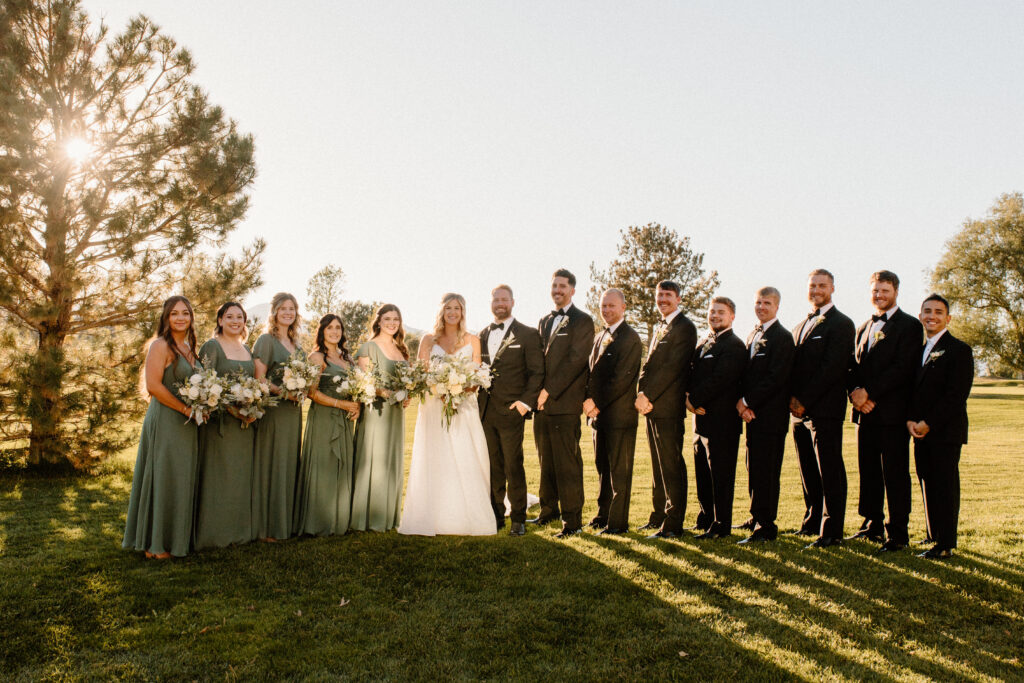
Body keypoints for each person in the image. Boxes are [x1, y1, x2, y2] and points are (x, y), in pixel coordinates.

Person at [399, 293, 495, 536]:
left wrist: (459, 392)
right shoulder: (428, 340)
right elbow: (421, 373)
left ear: (463, 312)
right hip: (433, 406)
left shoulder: (473, 339)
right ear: (441, 311)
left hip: (464, 406)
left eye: (457, 308)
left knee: (465, 454)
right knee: (436, 455)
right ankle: (434, 515)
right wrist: (440, 391)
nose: (453, 312)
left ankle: (467, 515)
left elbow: (477, 377)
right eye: (448, 308)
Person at [847, 270, 923, 553]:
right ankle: (872, 524)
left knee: (894, 472)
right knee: (868, 470)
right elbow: (852, 366)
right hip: (864, 413)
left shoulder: (910, 326)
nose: (879, 295)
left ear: (896, 292)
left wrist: (871, 393)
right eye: (875, 291)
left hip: (891, 412)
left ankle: (898, 532)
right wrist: (855, 393)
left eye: (885, 291)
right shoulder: (863, 326)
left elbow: (902, 368)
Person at [123, 296, 202, 559]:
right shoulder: (160, 346)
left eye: (185, 313)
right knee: (163, 476)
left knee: (180, 478)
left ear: (191, 317)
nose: (180, 318)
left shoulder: (190, 347)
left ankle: (175, 539)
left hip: (188, 423)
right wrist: (186, 409)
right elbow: (154, 387)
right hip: (167, 419)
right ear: (166, 318)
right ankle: (154, 544)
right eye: (174, 314)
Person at [790, 269, 855, 549]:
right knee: (808, 469)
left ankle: (832, 530)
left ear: (832, 288)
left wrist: (805, 399)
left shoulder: (841, 323)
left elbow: (832, 368)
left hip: (825, 409)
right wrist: (792, 400)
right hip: (798, 412)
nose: (816, 290)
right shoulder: (800, 325)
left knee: (829, 468)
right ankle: (812, 520)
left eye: (822, 285)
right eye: (812, 286)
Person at [908, 294, 973, 559]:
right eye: (927, 311)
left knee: (944, 485)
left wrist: (929, 423)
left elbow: (956, 395)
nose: (931, 316)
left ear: (948, 318)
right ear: (921, 315)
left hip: (945, 431)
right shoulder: (919, 350)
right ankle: (933, 533)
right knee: (926, 481)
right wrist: (911, 420)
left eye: (938, 311)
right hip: (920, 432)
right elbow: (912, 391)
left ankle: (945, 543)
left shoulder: (959, 349)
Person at [531, 268, 594, 538]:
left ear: (572, 290)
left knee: (567, 463)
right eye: (554, 286)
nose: (558, 290)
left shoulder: (583, 321)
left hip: (565, 404)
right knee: (546, 460)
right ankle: (548, 510)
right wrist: (536, 394)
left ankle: (572, 520)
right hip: (541, 406)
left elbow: (575, 362)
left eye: (563, 286)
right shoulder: (544, 320)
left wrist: (548, 391)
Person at [479, 285, 544, 536]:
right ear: (491, 303)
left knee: (513, 465)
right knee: (493, 466)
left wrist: (524, 404)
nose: (500, 304)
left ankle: (518, 517)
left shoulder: (527, 334)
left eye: (504, 300)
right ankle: (496, 515)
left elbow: (537, 372)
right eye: (496, 300)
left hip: (512, 411)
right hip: (486, 412)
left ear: (513, 302)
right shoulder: (482, 334)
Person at [636, 280, 697, 539]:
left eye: (668, 295)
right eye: (659, 295)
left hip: (669, 407)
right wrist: (640, 393)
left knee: (671, 465)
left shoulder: (684, 327)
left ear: (678, 299)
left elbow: (672, 368)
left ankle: (673, 524)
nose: (663, 300)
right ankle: (658, 515)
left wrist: (648, 395)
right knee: (657, 465)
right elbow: (649, 365)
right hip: (651, 406)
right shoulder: (662, 326)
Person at [194, 302, 257, 549]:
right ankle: (213, 534)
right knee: (218, 475)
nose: (235, 321)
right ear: (220, 320)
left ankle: (237, 532)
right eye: (229, 316)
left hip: (245, 424)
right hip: (220, 422)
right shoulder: (212, 346)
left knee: (239, 476)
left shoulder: (247, 348)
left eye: (239, 317)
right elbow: (204, 383)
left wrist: (252, 406)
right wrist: (232, 410)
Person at [735, 287, 794, 544]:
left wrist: (747, 401)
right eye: (758, 302)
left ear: (777, 307)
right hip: (752, 416)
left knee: (767, 470)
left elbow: (776, 378)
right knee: (753, 467)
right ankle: (755, 515)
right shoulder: (753, 334)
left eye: (767, 303)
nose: (761, 307)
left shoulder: (782, 337)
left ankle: (766, 525)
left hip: (770, 417)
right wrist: (744, 407)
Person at [293, 314, 361, 537]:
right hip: (324, 417)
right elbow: (311, 392)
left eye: (338, 327)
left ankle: (338, 519)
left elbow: (356, 388)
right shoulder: (316, 357)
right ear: (322, 331)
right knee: (323, 465)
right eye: (330, 327)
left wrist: (357, 405)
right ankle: (318, 522)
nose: (335, 331)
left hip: (343, 419)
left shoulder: (347, 358)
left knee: (341, 465)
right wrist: (342, 404)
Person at [583, 288, 642, 534]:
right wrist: (587, 400)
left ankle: (617, 523)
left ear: (623, 308)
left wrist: (595, 403)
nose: (607, 310)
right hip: (599, 418)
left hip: (619, 416)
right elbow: (591, 375)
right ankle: (603, 514)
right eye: (603, 306)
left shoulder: (630, 339)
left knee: (619, 472)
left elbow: (621, 381)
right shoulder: (599, 336)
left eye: (612, 306)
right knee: (602, 468)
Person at [687, 296, 746, 539]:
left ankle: (721, 525)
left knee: (721, 476)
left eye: (721, 312)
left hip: (722, 423)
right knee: (703, 475)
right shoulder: (703, 343)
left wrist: (694, 399)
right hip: (700, 423)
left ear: (732, 316)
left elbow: (721, 380)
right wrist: (687, 396)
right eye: (712, 312)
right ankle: (706, 518)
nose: (715, 316)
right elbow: (690, 372)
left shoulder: (734, 345)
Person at [350, 304, 409, 532]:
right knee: (375, 459)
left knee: (391, 461)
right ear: (379, 321)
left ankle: (388, 517)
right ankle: (368, 517)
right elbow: (365, 382)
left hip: (396, 413)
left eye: (396, 318)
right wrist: (390, 394)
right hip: (377, 411)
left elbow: (407, 380)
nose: (392, 323)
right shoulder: (368, 347)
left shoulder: (401, 349)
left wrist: (407, 394)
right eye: (387, 319)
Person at [252, 292, 304, 542]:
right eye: (283, 308)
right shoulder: (266, 341)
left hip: (294, 413)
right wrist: (283, 392)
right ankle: (267, 527)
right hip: (273, 410)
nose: (287, 312)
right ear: (274, 312)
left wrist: (301, 390)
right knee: (272, 463)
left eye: (291, 309)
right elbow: (259, 378)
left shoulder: (297, 345)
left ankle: (286, 523)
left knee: (289, 462)